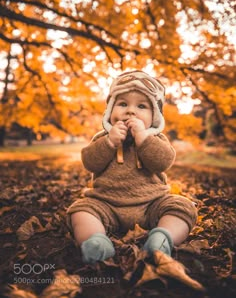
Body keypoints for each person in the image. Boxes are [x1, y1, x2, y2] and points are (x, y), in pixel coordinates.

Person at [67, 70, 197, 264]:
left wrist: (144, 140)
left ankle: (161, 239)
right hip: (106, 205)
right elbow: (90, 162)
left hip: (151, 204)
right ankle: (95, 242)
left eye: (141, 106)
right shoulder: (102, 138)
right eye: (123, 104)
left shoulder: (155, 139)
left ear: (154, 116)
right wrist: (109, 143)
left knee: (182, 206)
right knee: (80, 210)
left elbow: (163, 162)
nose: (130, 111)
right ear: (110, 110)